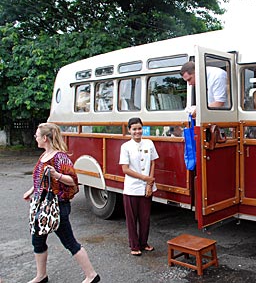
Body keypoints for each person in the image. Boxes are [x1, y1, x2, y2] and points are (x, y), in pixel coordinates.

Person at [23, 123, 100, 283]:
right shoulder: (44, 156)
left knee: (69, 242)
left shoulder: (60, 157)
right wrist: (32, 190)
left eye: (37, 135)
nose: (35, 137)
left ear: (45, 138)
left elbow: (73, 181)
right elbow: (41, 179)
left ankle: (92, 275)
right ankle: (41, 276)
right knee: (37, 240)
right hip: (41, 206)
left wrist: (57, 174)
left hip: (56, 206)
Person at [119, 117, 159, 256]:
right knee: (132, 218)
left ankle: (144, 243)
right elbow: (125, 169)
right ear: (129, 130)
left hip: (147, 187)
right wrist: (145, 178)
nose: (137, 131)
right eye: (134, 129)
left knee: (145, 217)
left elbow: (153, 163)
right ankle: (134, 245)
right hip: (132, 188)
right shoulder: (125, 147)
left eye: (139, 128)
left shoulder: (149, 143)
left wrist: (149, 183)